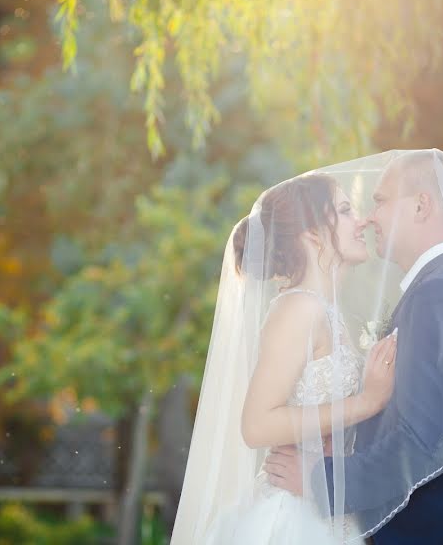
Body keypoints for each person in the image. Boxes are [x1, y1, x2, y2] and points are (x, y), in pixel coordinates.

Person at [265, 150, 443, 544]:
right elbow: (430, 418)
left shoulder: (440, 294)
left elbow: (421, 442)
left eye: (380, 200)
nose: (369, 217)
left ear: (422, 205)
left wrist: (319, 478)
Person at [170, 173, 399, 545]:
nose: (362, 222)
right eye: (344, 211)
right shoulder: (299, 308)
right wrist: (365, 403)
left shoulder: (326, 310)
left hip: (326, 506)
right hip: (293, 518)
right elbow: (257, 425)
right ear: (311, 234)